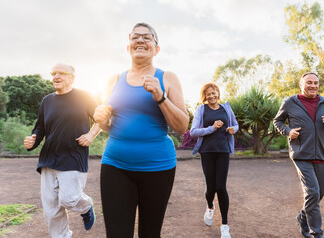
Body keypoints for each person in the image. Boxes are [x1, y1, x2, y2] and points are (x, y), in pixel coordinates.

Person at [93, 23, 189, 238]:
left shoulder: (168, 78)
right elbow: (107, 124)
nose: (140, 40)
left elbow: (182, 126)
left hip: (158, 168)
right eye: (135, 37)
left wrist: (160, 97)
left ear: (156, 48)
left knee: (150, 233)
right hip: (115, 166)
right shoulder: (114, 80)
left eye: (147, 37)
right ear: (128, 47)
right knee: (116, 234)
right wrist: (102, 119)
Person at [24, 63, 101, 238]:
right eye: (53, 73)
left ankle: (86, 206)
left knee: (69, 199)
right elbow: (40, 128)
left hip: (73, 155)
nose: (56, 77)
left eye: (61, 73)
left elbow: (101, 120)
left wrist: (90, 135)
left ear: (72, 77)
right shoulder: (47, 101)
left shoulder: (84, 96)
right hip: (48, 159)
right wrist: (32, 140)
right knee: (51, 210)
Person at [273, 72, 324, 238]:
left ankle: (302, 217)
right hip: (301, 155)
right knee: (312, 192)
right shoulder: (290, 102)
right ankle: (316, 233)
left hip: (322, 154)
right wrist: (288, 131)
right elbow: (278, 121)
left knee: (319, 194)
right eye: (309, 83)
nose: (313, 86)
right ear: (301, 85)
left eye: (316, 83)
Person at [190, 82, 238, 238]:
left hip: (223, 150)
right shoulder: (201, 109)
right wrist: (212, 128)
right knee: (210, 188)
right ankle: (210, 207)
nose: (211, 96)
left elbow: (235, 124)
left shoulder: (226, 108)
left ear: (218, 93)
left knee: (221, 187)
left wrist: (233, 129)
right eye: (208, 94)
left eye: (214, 92)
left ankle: (225, 225)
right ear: (204, 96)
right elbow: (193, 132)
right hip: (207, 151)